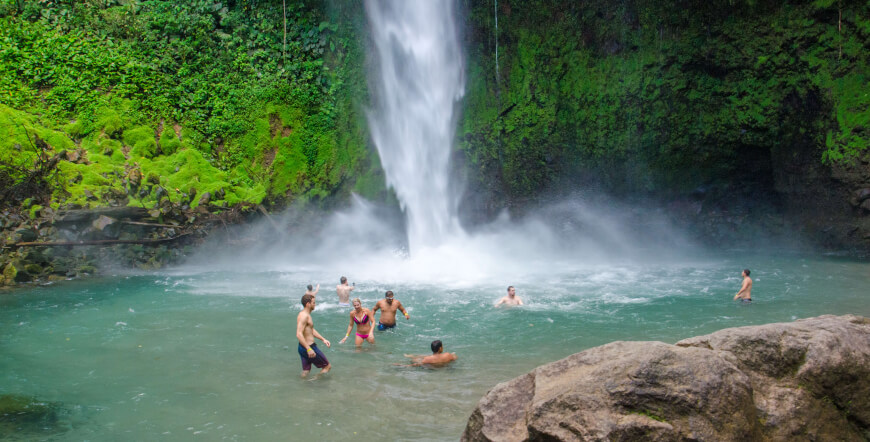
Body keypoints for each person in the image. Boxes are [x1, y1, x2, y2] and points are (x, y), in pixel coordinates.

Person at [296, 294, 331, 378]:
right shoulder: (304, 316)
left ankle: (303, 383)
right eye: (314, 303)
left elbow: (310, 330)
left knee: (306, 370)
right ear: (308, 304)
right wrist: (309, 349)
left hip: (302, 347)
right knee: (327, 366)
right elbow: (299, 334)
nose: (315, 304)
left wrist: (323, 339)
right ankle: (313, 381)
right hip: (309, 347)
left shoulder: (305, 315)